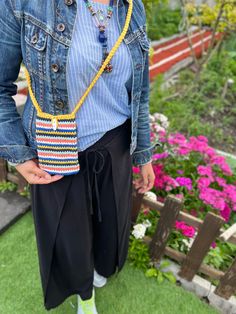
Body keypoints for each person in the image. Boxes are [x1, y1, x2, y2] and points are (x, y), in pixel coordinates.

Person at [0, 0, 156, 313]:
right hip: (55, 145)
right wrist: (17, 154)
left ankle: (100, 269)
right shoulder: (22, 4)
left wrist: (143, 152)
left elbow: (139, 91)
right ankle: (84, 296)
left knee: (111, 224)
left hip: (117, 141)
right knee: (69, 236)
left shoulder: (131, 6)